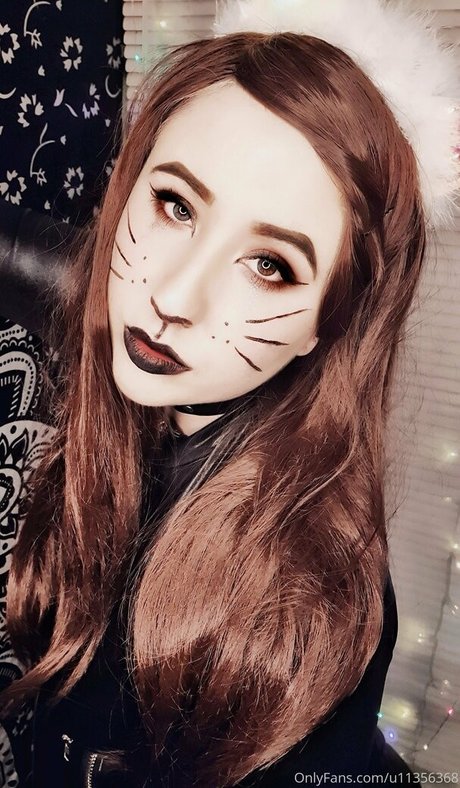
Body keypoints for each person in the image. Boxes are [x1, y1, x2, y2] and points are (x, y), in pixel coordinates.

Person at [0, 0, 458, 785]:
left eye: (269, 266)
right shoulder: (125, 373)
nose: (174, 296)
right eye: (175, 205)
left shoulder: (305, 605)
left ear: (329, 322)